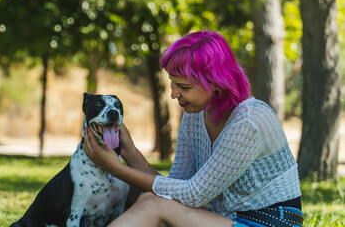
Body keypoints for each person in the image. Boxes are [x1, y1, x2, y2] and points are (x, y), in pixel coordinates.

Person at [82, 30, 304, 227]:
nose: (173, 93)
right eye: (172, 81)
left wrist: (116, 169)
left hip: (272, 222)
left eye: (184, 87)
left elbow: (193, 194)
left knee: (155, 206)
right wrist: (129, 151)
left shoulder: (250, 120)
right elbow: (173, 188)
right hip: (227, 219)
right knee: (150, 200)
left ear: (216, 83)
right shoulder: (195, 115)